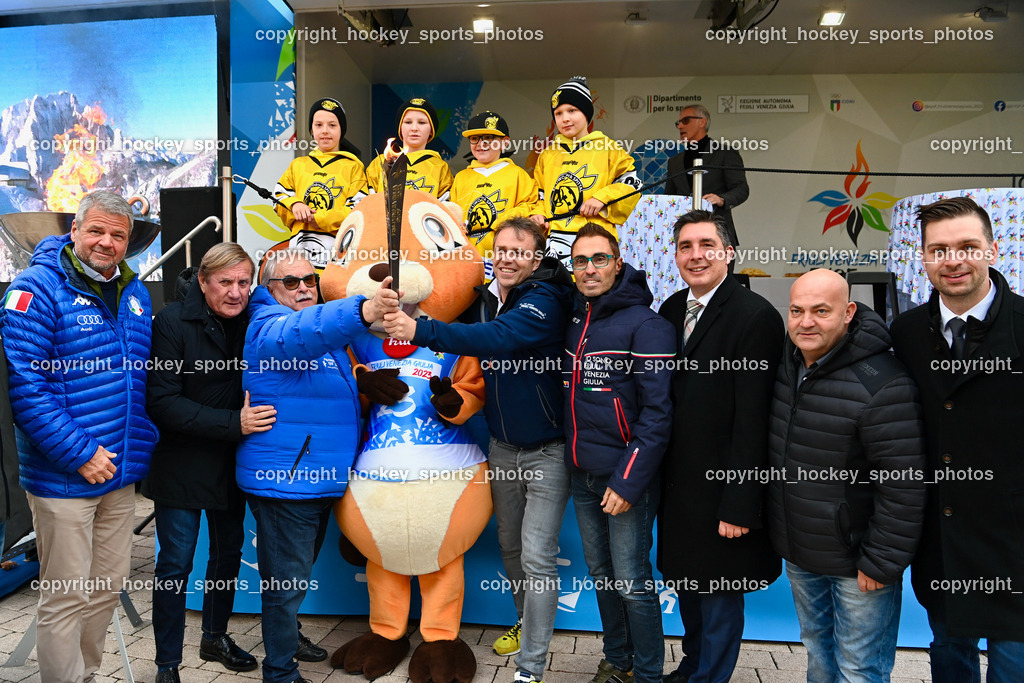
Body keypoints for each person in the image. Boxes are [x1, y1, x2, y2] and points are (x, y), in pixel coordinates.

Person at [382, 217, 574, 683]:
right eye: (501, 249)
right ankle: (526, 623)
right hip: (503, 447)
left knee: (536, 556)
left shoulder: (546, 296)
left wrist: (420, 329)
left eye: (518, 251)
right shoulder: (489, 297)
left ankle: (530, 667)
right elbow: (460, 325)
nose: (507, 257)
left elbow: (499, 339)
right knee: (510, 549)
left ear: (536, 257)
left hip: (548, 450)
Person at [1, 190, 159, 683]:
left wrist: (140, 444)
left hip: (120, 472)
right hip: (64, 476)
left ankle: (86, 674)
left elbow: (140, 379)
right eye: (96, 231)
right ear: (74, 231)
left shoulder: (134, 291)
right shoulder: (35, 288)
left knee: (106, 588)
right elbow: (25, 383)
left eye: (118, 234)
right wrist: (79, 453)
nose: (106, 243)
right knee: (67, 592)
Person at [236, 248, 393, 683]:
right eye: (291, 282)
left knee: (294, 583)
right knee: (284, 587)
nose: (304, 287)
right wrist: (364, 309)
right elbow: (302, 333)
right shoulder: (268, 327)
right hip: (286, 484)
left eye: (310, 279)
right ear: (269, 289)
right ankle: (280, 672)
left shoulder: (318, 327)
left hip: (316, 479)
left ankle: (289, 642)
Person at [767, 269, 926, 683]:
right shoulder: (788, 363)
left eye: (821, 311)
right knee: (818, 653)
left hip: (858, 562)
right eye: (797, 310)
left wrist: (881, 562)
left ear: (848, 312)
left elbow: (903, 485)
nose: (806, 322)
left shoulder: (884, 384)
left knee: (860, 669)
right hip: (801, 552)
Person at [890, 196, 1024, 683]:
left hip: (1014, 540)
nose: (954, 260)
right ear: (922, 257)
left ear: (992, 248)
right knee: (948, 651)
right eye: (939, 249)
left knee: (1014, 663)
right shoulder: (904, 333)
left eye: (967, 246)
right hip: (941, 537)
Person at [657, 211, 782, 683]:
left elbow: (755, 420)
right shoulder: (671, 309)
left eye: (707, 244)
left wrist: (740, 503)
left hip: (725, 489)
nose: (696, 255)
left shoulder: (755, 318)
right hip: (680, 486)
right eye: (686, 246)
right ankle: (692, 666)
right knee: (690, 584)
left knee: (719, 592)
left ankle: (711, 677)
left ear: (729, 252)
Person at [143, 244, 277, 683]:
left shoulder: (255, 320)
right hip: (181, 464)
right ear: (203, 282)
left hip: (232, 463)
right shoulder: (169, 323)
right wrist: (233, 421)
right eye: (225, 282)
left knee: (227, 556)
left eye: (244, 282)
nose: (236, 292)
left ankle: (214, 637)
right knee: (176, 564)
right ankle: (167, 664)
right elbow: (162, 402)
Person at [563, 224, 674, 683]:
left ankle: (648, 674)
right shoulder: (576, 320)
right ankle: (618, 660)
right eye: (580, 261)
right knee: (602, 575)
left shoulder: (648, 325)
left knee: (631, 581)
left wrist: (627, 482)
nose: (589, 269)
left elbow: (658, 415)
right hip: (583, 475)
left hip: (626, 481)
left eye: (599, 259)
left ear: (618, 264)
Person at [531, 77, 641, 268]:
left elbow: (633, 184)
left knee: (593, 293)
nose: (565, 118)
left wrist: (602, 198)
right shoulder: (547, 155)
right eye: (558, 113)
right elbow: (539, 194)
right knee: (557, 292)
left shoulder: (608, 148)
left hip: (596, 239)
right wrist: (538, 214)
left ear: (587, 113)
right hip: (555, 243)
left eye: (572, 110)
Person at [274, 97, 369, 272]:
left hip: (338, 256)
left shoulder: (353, 167)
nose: (325, 131)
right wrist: (294, 204)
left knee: (332, 296)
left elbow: (359, 209)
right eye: (318, 125)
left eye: (332, 125)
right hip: (299, 253)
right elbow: (279, 196)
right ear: (311, 129)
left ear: (342, 130)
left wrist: (320, 218)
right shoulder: (298, 165)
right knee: (300, 294)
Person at [449, 112, 542, 262]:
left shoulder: (517, 174)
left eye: (489, 138)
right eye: (474, 139)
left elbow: (531, 205)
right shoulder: (460, 177)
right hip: (466, 255)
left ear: (505, 142)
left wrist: (502, 221)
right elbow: (453, 212)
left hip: (505, 254)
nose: (481, 143)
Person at [664, 105, 749, 252]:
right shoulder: (675, 161)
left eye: (686, 120)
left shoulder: (725, 153)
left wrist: (721, 199)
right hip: (683, 238)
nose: (680, 126)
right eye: (679, 123)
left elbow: (741, 189)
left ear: (702, 122)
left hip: (717, 236)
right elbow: (668, 197)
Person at [366, 96, 453, 200]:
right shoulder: (380, 162)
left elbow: (444, 210)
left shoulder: (440, 167)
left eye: (422, 122)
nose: (414, 128)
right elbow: (366, 205)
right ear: (400, 127)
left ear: (431, 130)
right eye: (408, 122)